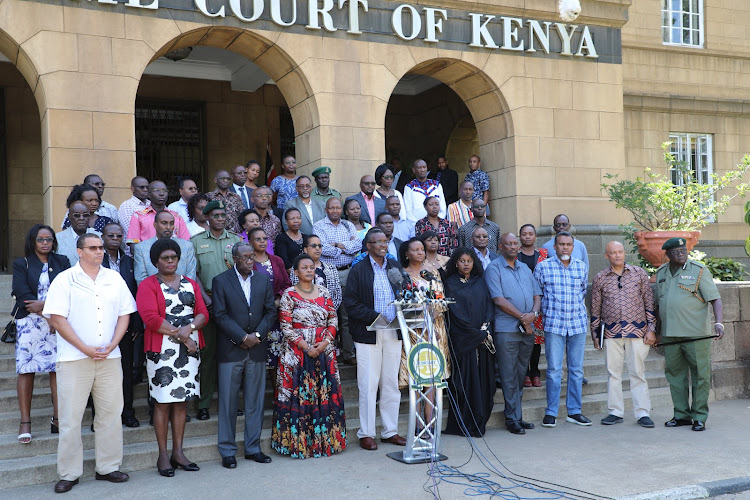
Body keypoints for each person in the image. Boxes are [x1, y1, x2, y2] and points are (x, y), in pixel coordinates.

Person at [43, 233, 137, 494]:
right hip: (74, 359)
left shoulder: (114, 278)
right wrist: (85, 348)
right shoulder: (64, 280)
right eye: (93, 248)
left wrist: (113, 343)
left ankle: (107, 467)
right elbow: (58, 320)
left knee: (110, 414)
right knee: (71, 418)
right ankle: (69, 473)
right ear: (79, 251)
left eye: (101, 248)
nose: (99, 252)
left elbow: (124, 314)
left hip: (109, 358)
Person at [136, 238, 208, 477]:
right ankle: (163, 455)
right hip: (162, 350)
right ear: (155, 261)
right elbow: (150, 318)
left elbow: (203, 314)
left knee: (182, 401)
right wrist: (184, 335)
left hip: (189, 351)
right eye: (165, 258)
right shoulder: (148, 285)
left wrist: (190, 332)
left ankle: (178, 452)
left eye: (173, 258)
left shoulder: (189, 282)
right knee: (163, 401)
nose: (170, 261)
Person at [273, 254, 346, 459]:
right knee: (299, 396)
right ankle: (299, 444)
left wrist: (323, 344)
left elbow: (333, 319)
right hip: (297, 353)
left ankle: (327, 442)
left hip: (324, 351)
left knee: (324, 394)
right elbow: (285, 325)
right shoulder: (289, 294)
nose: (309, 270)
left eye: (311, 267)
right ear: (295, 272)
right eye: (304, 267)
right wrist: (307, 347)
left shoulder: (324, 292)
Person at [211, 242, 277, 469]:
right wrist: (241, 337)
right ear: (234, 259)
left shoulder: (262, 280)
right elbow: (219, 315)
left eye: (253, 257)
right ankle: (228, 450)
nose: (251, 261)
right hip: (231, 350)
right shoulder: (221, 281)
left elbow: (270, 311)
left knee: (255, 402)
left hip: (257, 348)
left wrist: (256, 335)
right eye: (246, 257)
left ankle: (253, 448)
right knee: (228, 403)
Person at [343, 228, 406, 450]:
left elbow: (405, 294)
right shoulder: (358, 270)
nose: (382, 244)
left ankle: (390, 431)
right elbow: (350, 303)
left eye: (385, 241)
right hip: (368, 333)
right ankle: (366, 433)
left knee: (390, 384)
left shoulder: (395, 267)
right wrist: (375, 317)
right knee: (368, 384)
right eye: (376, 241)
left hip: (393, 332)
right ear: (368, 246)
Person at [655, 237, 724, 431]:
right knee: (675, 375)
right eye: (676, 252)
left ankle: (699, 416)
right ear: (667, 254)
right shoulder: (661, 273)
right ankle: (681, 415)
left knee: (700, 375)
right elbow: (659, 305)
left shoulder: (699, 270)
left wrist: (719, 323)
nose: (681, 254)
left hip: (696, 334)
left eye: (683, 250)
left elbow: (715, 299)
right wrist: (657, 332)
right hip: (670, 335)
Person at [13, 225, 70, 444]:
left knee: (57, 369)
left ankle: (58, 418)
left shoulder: (62, 262)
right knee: (26, 370)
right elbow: (23, 295)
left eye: (49, 239)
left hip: (58, 320)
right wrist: (48, 315)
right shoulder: (22, 263)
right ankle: (25, 422)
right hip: (30, 323)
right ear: (32, 241)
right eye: (40, 239)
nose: (45, 243)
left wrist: (48, 307)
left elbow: (67, 291)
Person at [591, 241, 656, 428]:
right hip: (611, 333)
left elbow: (649, 303)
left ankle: (642, 412)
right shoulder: (600, 278)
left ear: (624, 253)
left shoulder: (639, 274)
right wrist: (596, 333)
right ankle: (615, 411)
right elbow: (595, 308)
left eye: (620, 252)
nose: (617, 255)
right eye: (613, 253)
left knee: (638, 372)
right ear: (607, 256)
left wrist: (651, 329)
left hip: (638, 331)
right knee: (613, 373)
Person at [190, 200, 243, 421]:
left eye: (223, 215)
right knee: (208, 354)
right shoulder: (195, 242)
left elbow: (243, 272)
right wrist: (206, 301)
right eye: (216, 215)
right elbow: (194, 274)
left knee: (232, 354)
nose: (220, 218)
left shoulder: (237, 240)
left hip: (233, 305)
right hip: (208, 302)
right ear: (207, 217)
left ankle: (232, 402)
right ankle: (203, 403)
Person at [486, 233, 541, 435]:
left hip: (527, 329)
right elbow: (498, 300)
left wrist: (533, 315)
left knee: (520, 374)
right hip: (507, 330)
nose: (512, 246)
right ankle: (511, 419)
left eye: (514, 243)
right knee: (508, 375)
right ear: (500, 246)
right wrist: (523, 317)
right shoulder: (493, 268)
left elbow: (537, 295)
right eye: (507, 243)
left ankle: (517, 415)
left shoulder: (525, 268)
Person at [534, 231, 591, 428]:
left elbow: (582, 291)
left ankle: (574, 412)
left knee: (576, 370)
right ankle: (551, 412)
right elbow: (538, 295)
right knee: (553, 371)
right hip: (554, 325)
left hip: (577, 324)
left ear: (573, 247)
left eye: (568, 244)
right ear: (554, 247)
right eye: (561, 244)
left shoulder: (581, 267)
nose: (565, 247)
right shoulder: (543, 267)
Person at [398, 238, 451, 433]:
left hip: (435, 329)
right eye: (416, 250)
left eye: (422, 249)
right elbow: (403, 304)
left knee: (433, 377)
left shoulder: (432, 273)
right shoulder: (402, 276)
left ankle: (431, 422)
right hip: (415, 331)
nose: (421, 252)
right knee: (418, 376)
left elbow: (442, 300)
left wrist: (433, 316)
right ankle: (419, 423)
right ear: (407, 253)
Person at [442, 248, 495, 437]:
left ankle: (480, 421)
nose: (466, 264)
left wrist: (484, 329)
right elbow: (454, 314)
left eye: (469, 261)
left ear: (474, 263)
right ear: (456, 262)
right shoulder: (450, 284)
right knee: (465, 383)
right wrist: (474, 334)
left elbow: (489, 306)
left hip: (482, 339)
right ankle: (464, 424)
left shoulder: (480, 282)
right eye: (462, 261)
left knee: (484, 382)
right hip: (463, 341)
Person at [101, 223, 142, 428]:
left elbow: (135, 293)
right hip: (101, 324)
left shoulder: (130, 262)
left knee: (125, 371)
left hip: (125, 325)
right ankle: (103, 417)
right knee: (102, 373)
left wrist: (135, 323)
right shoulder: (96, 262)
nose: (115, 239)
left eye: (119, 235)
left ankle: (127, 412)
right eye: (111, 235)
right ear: (103, 237)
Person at [314, 198, 362, 365]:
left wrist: (336, 245)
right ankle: (329, 352)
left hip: (348, 272)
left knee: (347, 314)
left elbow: (357, 245)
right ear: (326, 209)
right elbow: (322, 248)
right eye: (331, 208)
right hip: (328, 273)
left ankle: (348, 353)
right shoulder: (319, 226)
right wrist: (343, 248)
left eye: (338, 208)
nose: (335, 211)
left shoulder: (348, 225)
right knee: (329, 314)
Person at [246, 227, 291, 372]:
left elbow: (287, 284)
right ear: (250, 242)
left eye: (264, 238)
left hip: (275, 314)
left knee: (276, 357)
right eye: (257, 239)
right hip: (255, 315)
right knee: (258, 356)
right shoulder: (246, 262)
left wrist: (277, 301)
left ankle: (277, 393)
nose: (262, 241)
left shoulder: (276, 260)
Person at [517, 224, 548, 388]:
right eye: (524, 234)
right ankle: (525, 373)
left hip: (539, 303)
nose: (527, 236)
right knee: (524, 339)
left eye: (530, 234)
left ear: (535, 236)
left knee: (536, 341)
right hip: (520, 302)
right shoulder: (515, 255)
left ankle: (535, 372)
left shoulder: (544, 254)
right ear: (519, 236)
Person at [133, 210, 197, 284]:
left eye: (172, 223)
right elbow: (141, 280)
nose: (168, 227)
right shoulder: (141, 248)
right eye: (164, 223)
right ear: (155, 225)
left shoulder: (187, 246)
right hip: (154, 293)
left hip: (183, 293)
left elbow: (191, 276)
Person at [290, 234, 343, 312]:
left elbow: (337, 294)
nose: (317, 248)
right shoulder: (298, 268)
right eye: (314, 246)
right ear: (305, 249)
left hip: (329, 313)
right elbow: (296, 293)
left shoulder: (331, 268)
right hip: (305, 314)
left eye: (320, 246)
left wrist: (329, 311)